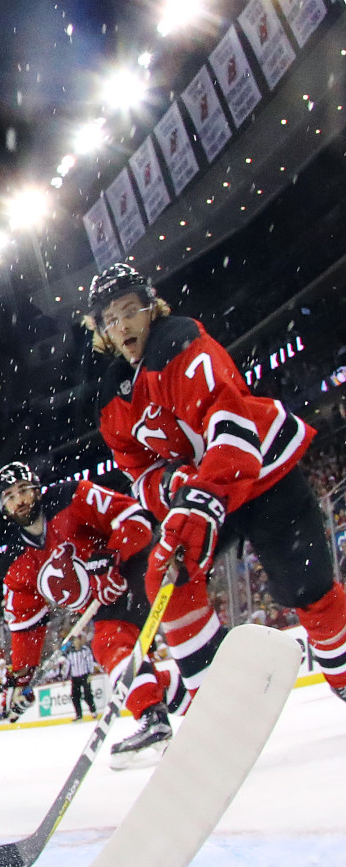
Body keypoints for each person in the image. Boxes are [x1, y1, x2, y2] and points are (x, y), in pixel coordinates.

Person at [87, 263, 346, 703]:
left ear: (152, 307)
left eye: (130, 310)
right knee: (167, 575)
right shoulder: (113, 397)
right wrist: (175, 486)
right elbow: (140, 472)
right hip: (204, 493)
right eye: (111, 319)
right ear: (103, 332)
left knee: (308, 591)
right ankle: (219, 697)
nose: (123, 324)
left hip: (264, 477)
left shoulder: (184, 344)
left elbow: (231, 430)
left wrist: (201, 499)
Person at [0, 461, 211, 763]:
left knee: (108, 642)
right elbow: (26, 626)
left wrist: (112, 556)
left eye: (24, 490)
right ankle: (192, 701)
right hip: (102, 602)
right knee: (120, 659)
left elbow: (135, 518)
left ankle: (153, 720)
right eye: (10, 496)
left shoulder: (72, 496)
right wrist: (21, 680)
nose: (20, 499)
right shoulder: (16, 563)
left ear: (37, 490)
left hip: (134, 570)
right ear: (3, 507)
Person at [65, 632, 98, 722]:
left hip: (84, 675)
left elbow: (89, 661)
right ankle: (79, 715)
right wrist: (65, 677)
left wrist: (90, 673)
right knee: (75, 697)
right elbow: (68, 665)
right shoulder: (70, 652)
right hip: (75, 677)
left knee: (88, 695)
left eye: (77, 640)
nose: (76, 643)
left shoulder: (85, 650)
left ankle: (93, 711)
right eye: (74, 641)